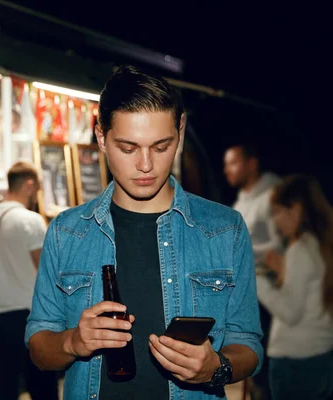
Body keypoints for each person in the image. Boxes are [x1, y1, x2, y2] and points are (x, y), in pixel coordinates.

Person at [26, 66, 263, 400]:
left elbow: (249, 344)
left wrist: (216, 367)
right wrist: (73, 342)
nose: (146, 165)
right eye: (128, 148)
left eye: (161, 146)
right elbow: (38, 347)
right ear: (101, 138)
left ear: (180, 130)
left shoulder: (224, 229)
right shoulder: (67, 232)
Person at [0, 161, 59, 400]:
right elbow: (46, 272)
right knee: (43, 387)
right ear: (29, 185)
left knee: (5, 388)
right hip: (29, 318)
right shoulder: (30, 221)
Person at [256, 175, 333, 400]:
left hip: (295, 362)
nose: (276, 221)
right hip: (321, 357)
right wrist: (282, 270)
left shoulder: (300, 248)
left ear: (296, 209)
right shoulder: (322, 244)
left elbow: (290, 312)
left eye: (278, 211)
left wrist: (255, 280)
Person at [224, 143, 282, 400]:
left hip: (272, 297)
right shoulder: (242, 200)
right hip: (250, 291)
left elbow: (285, 242)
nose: (227, 170)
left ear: (252, 163)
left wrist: (245, 251)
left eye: (233, 162)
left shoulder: (273, 194)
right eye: (225, 164)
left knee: (267, 365)